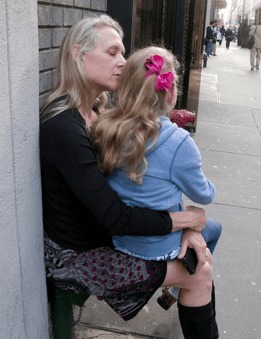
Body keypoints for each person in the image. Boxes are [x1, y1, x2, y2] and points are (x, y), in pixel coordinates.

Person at [40, 14, 217, 338]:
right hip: (79, 256)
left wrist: (189, 227)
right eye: (112, 53)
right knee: (200, 272)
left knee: (203, 241)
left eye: (123, 54)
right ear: (79, 55)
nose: (123, 62)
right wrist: (185, 222)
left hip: (107, 237)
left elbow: (148, 183)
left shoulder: (99, 115)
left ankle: (179, 287)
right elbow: (117, 217)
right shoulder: (63, 127)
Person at [94, 46, 221, 322]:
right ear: (171, 93)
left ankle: (177, 290)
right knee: (212, 230)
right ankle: (176, 290)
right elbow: (203, 194)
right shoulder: (179, 143)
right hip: (155, 246)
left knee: (201, 240)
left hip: (120, 239)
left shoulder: (107, 126)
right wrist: (211, 186)